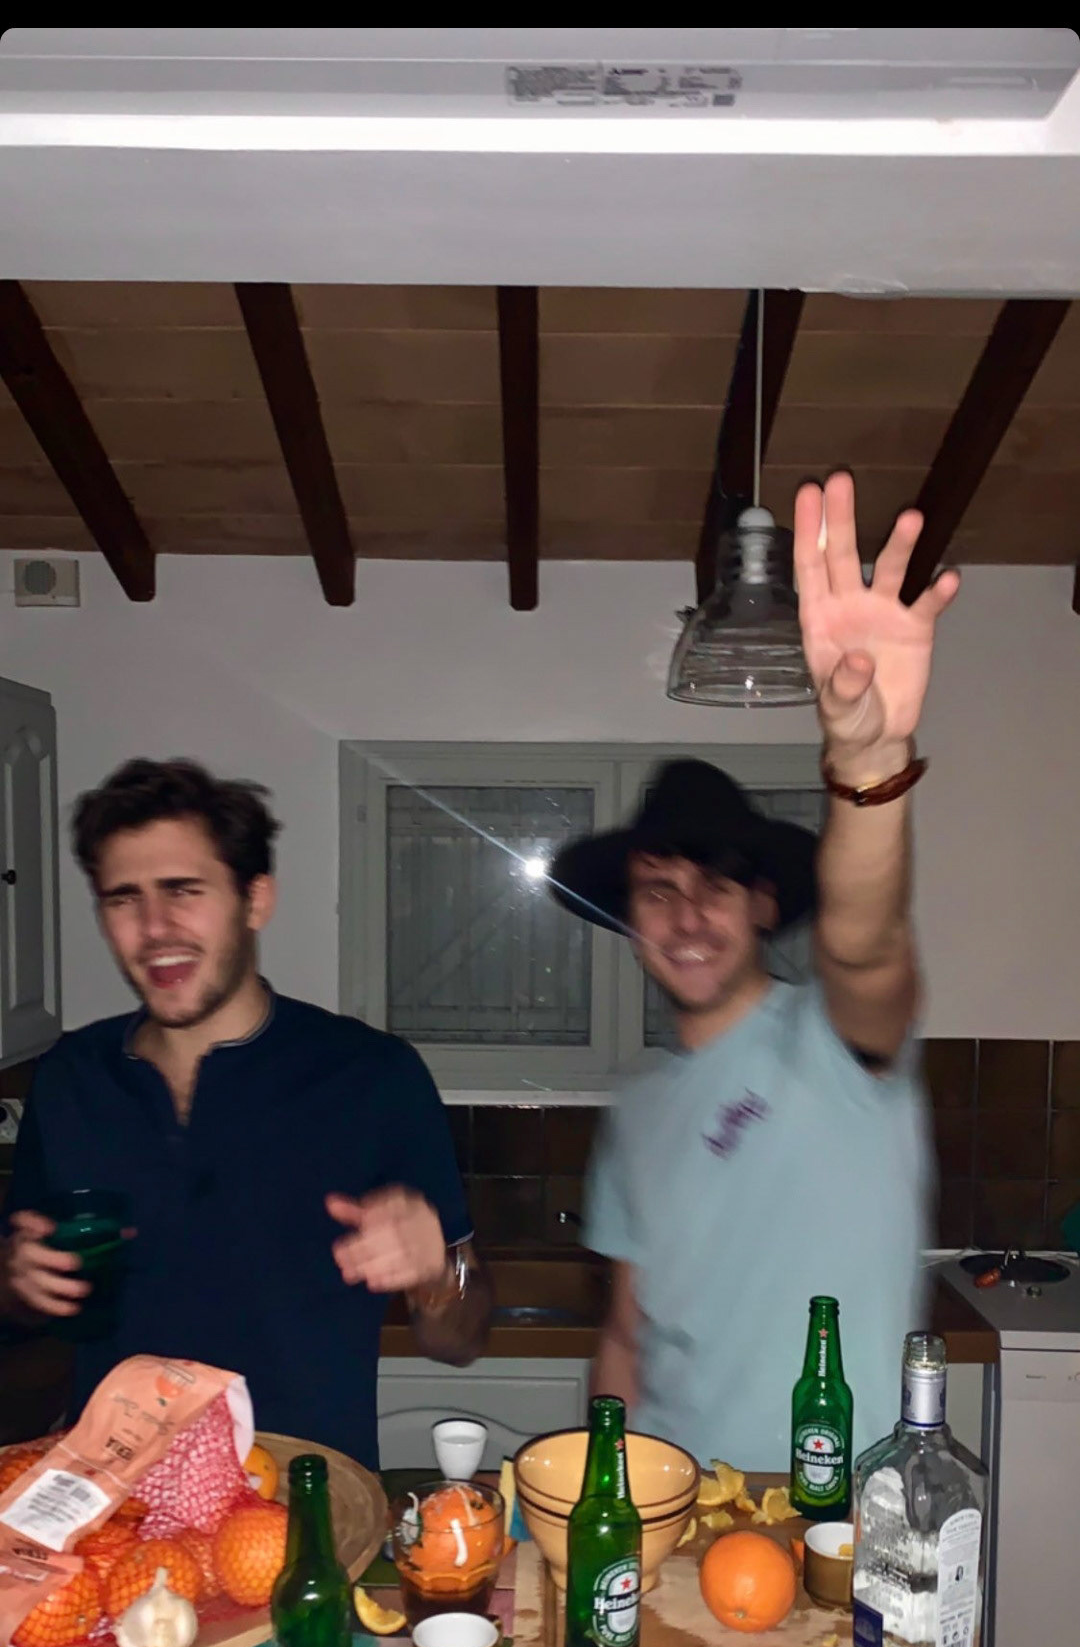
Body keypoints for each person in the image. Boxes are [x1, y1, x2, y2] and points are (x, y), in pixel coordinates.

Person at [549, 471, 957, 1477]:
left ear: (764, 904)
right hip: (678, 1509)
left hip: (841, 1514)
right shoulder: (638, 1109)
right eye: (656, 890)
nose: (686, 916)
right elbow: (626, 1338)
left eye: (715, 886)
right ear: (630, 922)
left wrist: (868, 766)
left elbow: (865, 940)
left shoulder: (842, 1045)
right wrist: (607, 1485)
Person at [0, 758, 492, 1463]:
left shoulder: (371, 1076)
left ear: (255, 899)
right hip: (116, 1500)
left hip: (299, 1502)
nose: (154, 928)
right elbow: (22, 1304)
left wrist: (437, 1277)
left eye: (183, 891)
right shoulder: (70, 1077)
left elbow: (462, 1338)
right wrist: (17, 1282)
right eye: (124, 898)